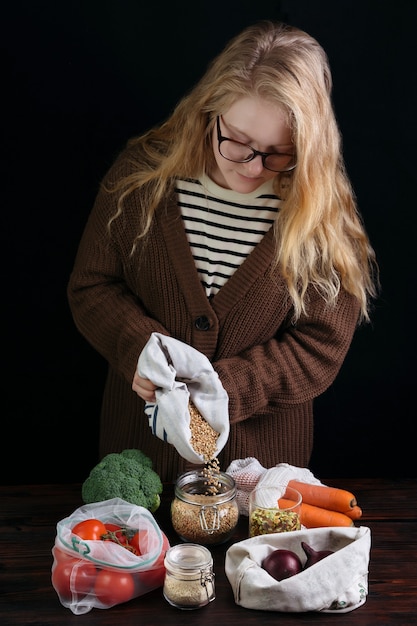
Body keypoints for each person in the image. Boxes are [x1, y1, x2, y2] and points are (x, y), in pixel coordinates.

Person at [67, 20, 379, 483]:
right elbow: (92, 286)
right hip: (141, 458)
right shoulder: (142, 180)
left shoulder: (319, 214)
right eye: (237, 142)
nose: (254, 168)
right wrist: (140, 351)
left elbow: (321, 344)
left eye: (278, 152)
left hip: (260, 478)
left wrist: (222, 390)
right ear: (209, 111)